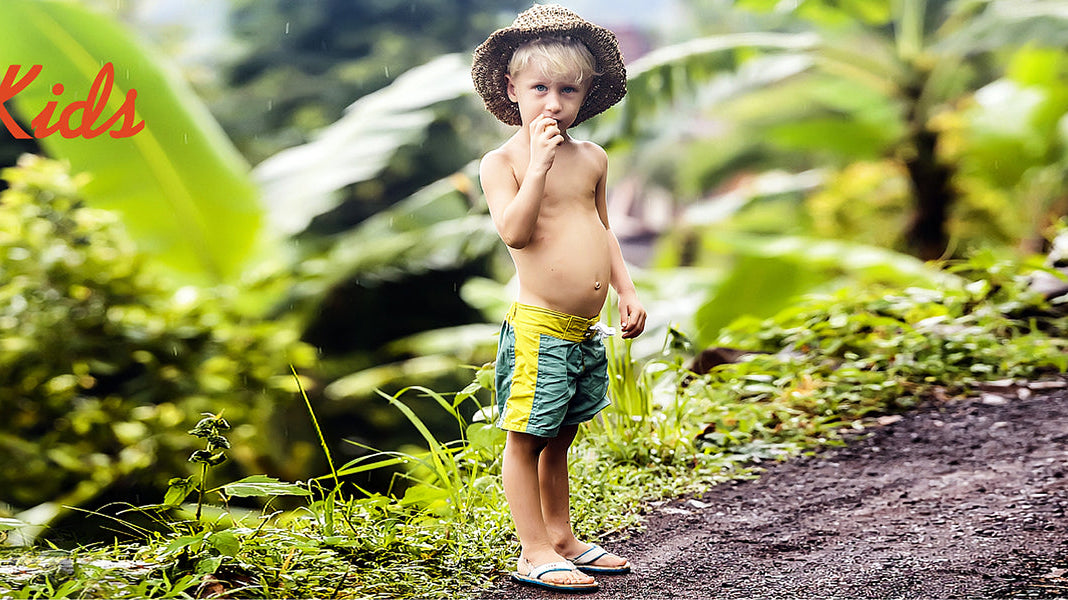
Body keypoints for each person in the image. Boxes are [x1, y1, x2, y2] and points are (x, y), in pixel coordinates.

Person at [472, 3, 647, 592]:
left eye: (567, 90)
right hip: (539, 327)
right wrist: (539, 167)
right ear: (511, 89)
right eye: (539, 88)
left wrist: (625, 289)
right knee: (527, 437)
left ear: (585, 95)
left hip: (582, 330)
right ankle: (533, 549)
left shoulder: (593, 158)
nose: (553, 103)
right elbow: (515, 233)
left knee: (561, 434)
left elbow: (603, 230)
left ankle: (563, 538)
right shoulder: (502, 163)